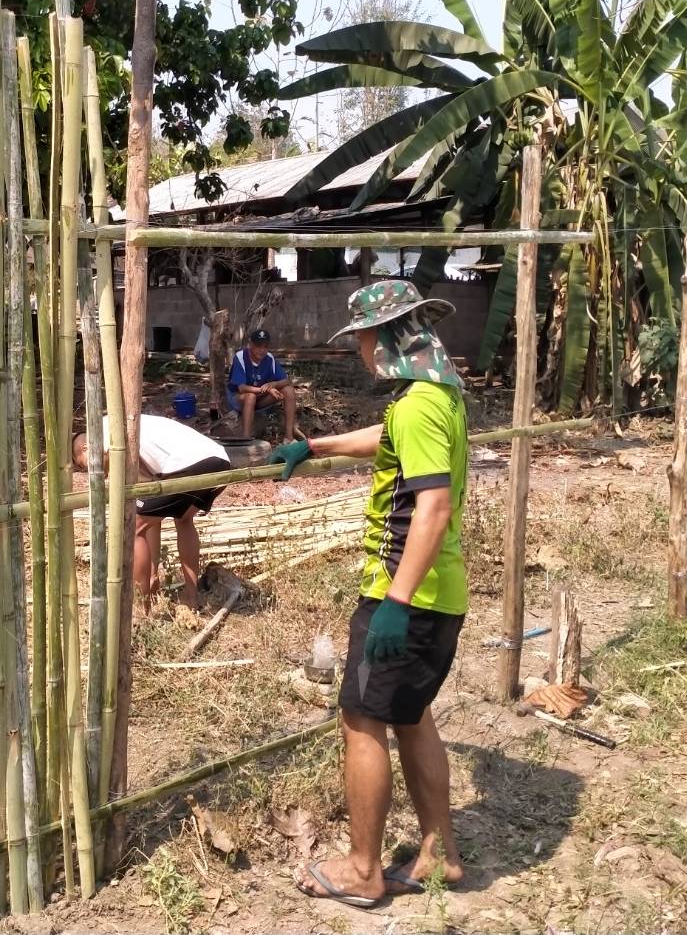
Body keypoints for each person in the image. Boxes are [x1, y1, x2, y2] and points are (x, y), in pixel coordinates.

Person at [270, 280, 469, 909]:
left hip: (405, 593)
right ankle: (440, 853)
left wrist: (396, 603)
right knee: (412, 716)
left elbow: (433, 507)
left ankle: (363, 869)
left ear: (384, 339)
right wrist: (314, 445)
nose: (358, 350)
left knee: (361, 721)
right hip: (441, 592)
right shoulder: (439, 398)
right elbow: (386, 437)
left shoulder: (418, 408)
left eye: (361, 338)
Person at [72, 415, 231, 609]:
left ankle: (142, 604)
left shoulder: (105, 429)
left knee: (133, 526)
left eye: (83, 465)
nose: (90, 472)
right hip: (219, 460)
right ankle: (191, 596)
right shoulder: (126, 439)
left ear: (86, 448)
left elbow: (141, 518)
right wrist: (154, 573)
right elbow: (152, 517)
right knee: (183, 519)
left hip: (190, 463)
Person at [228, 328, 297, 442]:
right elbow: (241, 388)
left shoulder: (269, 358)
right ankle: (246, 439)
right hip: (238, 399)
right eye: (258, 346)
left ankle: (289, 437)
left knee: (288, 390)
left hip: (260, 399)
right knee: (250, 397)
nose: (262, 350)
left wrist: (274, 384)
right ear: (251, 345)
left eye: (265, 347)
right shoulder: (240, 357)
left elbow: (286, 381)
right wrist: (266, 390)